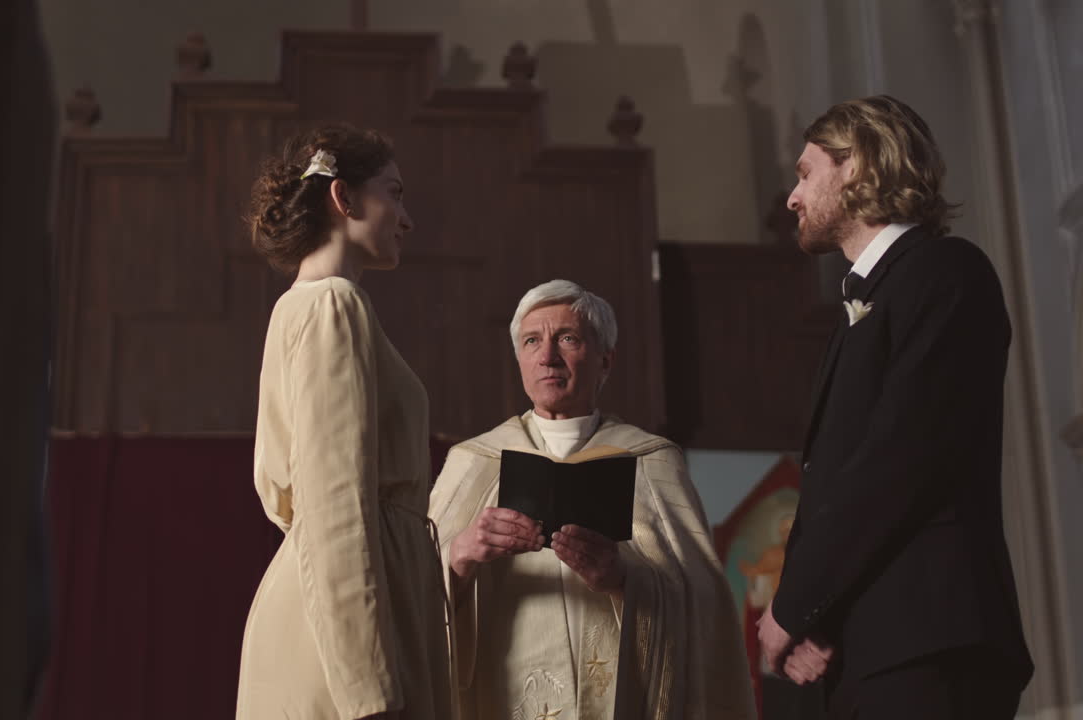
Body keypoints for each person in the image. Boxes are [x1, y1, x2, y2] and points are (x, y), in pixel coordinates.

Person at [756, 95, 1034, 720]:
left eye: (804, 173)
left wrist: (795, 605)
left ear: (855, 166)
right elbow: (836, 482)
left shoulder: (946, 272)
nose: (793, 198)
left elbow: (900, 460)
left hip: (932, 638)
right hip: (867, 648)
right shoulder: (859, 309)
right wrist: (818, 619)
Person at [429, 279, 755, 720]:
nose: (548, 356)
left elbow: (705, 605)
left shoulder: (653, 462)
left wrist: (627, 579)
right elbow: (411, 592)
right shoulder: (472, 462)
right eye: (532, 341)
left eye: (568, 338)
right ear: (520, 360)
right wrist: (458, 557)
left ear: (606, 359)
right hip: (500, 695)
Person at [237, 125, 452, 720]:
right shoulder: (333, 304)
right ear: (345, 199)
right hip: (348, 637)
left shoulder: (301, 305)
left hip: (338, 606)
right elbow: (332, 500)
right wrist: (368, 689)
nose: (406, 218)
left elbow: (289, 497)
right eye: (395, 193)